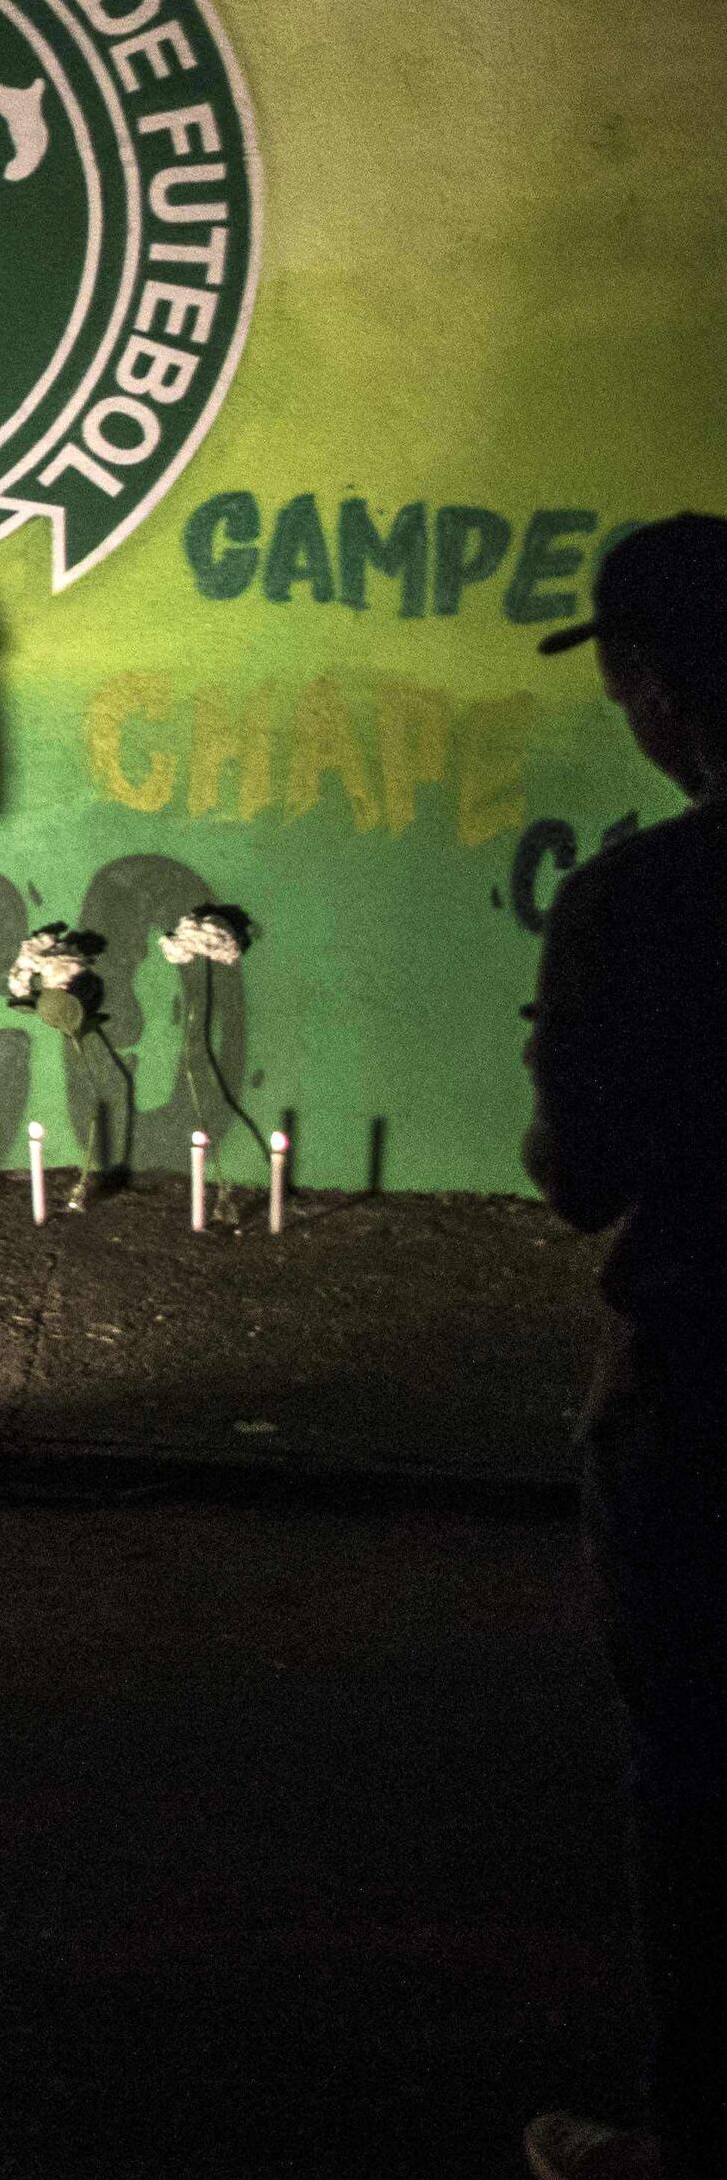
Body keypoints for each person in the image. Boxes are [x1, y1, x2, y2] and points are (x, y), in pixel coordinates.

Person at [517, 512, 727, 2180]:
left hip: (703, 1380)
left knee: (696, 1765)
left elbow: (578, 1175)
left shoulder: (642, 901)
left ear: (654, 685)